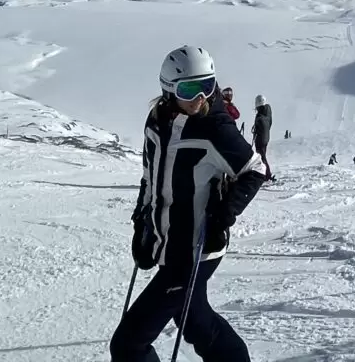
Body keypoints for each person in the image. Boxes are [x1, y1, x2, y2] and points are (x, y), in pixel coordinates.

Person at [113, 45, 266, 362]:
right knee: (195, 323)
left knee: (128, 345)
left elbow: (256, 169)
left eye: (207, 85)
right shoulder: (156, 122)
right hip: (167, 243)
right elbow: (149, 177)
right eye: (190, 88)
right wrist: (142, 224)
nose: (201, 97)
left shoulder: (214, 129)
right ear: (168, 90)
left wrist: (224, 214)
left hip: (195, 249)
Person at [251, 95, 275, 181]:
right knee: (262, 156)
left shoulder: (260, 115)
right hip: (265, 137)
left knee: (261, 157)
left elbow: (260, 126)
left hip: (261, 139)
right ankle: (265, 174)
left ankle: (267, 175)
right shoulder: (267, 111)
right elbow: (268, 124)